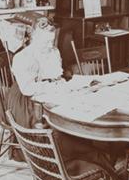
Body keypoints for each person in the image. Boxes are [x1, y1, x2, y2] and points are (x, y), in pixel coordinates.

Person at [6, 16, 114, 168]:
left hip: (50, 90)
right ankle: (64, 156)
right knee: (58, 121)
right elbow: (27, 89)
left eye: (51, 41)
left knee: (77, 107)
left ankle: (84, 149)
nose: (49, 45)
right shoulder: (24, 57)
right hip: (27, 101)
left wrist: (64, 85)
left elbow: (57, 76)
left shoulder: (54, 51)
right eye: (45, 41)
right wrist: (55, 88)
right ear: (34, 37)